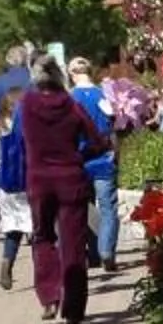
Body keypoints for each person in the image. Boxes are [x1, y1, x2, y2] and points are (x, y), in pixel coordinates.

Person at [14, 56, 111, 324]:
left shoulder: (27, 105)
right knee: (73, 244)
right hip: (70, 177)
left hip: (39, 179)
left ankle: (49, 296)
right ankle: (74, 308)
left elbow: (17, 141)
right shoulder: (71, 105)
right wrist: (84, 153)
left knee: (43, 236)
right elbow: (96, 139)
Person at [65, 55, 122, 276]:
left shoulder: (70, 99)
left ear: (72, 74)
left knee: (82, 208)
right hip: (103, 158)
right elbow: (113, 123)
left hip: (79, 160)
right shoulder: (102, 95)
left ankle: (91, 254)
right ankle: (106, 250)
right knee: (108, 208)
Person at [0, 106, 31, 288]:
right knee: (36, 228)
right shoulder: (27, 123)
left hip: (7, 183)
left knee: (13, 228)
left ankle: (7, 261)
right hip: (27, 181)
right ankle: (42, 272)